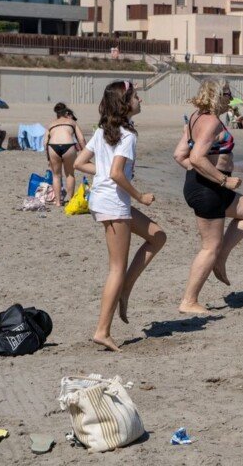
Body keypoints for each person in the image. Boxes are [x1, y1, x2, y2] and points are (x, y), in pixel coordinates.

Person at [75, 81, 167, 351]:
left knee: (157, 236)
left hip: (106, 200)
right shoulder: (126, 135)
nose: (141, 101)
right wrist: (141, 197)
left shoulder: (105, 130)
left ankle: (125, 289)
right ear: (125, 104)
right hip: (114, 202)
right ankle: (102, 330)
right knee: (116, 267)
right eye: (137, 97)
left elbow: (80, 163)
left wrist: (103, 172)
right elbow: (116, 173)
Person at [173, 79, 243, 315]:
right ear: (215, 96)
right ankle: (189, 300)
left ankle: (221, 257)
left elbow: (179, 155)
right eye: (226, 93)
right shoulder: (211, 122)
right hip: (209, 189)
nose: (230, 97)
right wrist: (223, 179)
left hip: (206, 185)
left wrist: (200, 177)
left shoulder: (195, 118)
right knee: (209, 247)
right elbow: (197, 157)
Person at [44, 102, 86, 206]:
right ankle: (71, 201)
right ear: (67, 113)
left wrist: (48, 158)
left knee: (56, 176)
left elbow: (45, 142)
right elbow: (81, 139)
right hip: (68, 145)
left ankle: (58, 202)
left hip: (53, 146)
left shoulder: (51, 124)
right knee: (70, 174)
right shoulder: (71, 122)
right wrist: (85, 153)